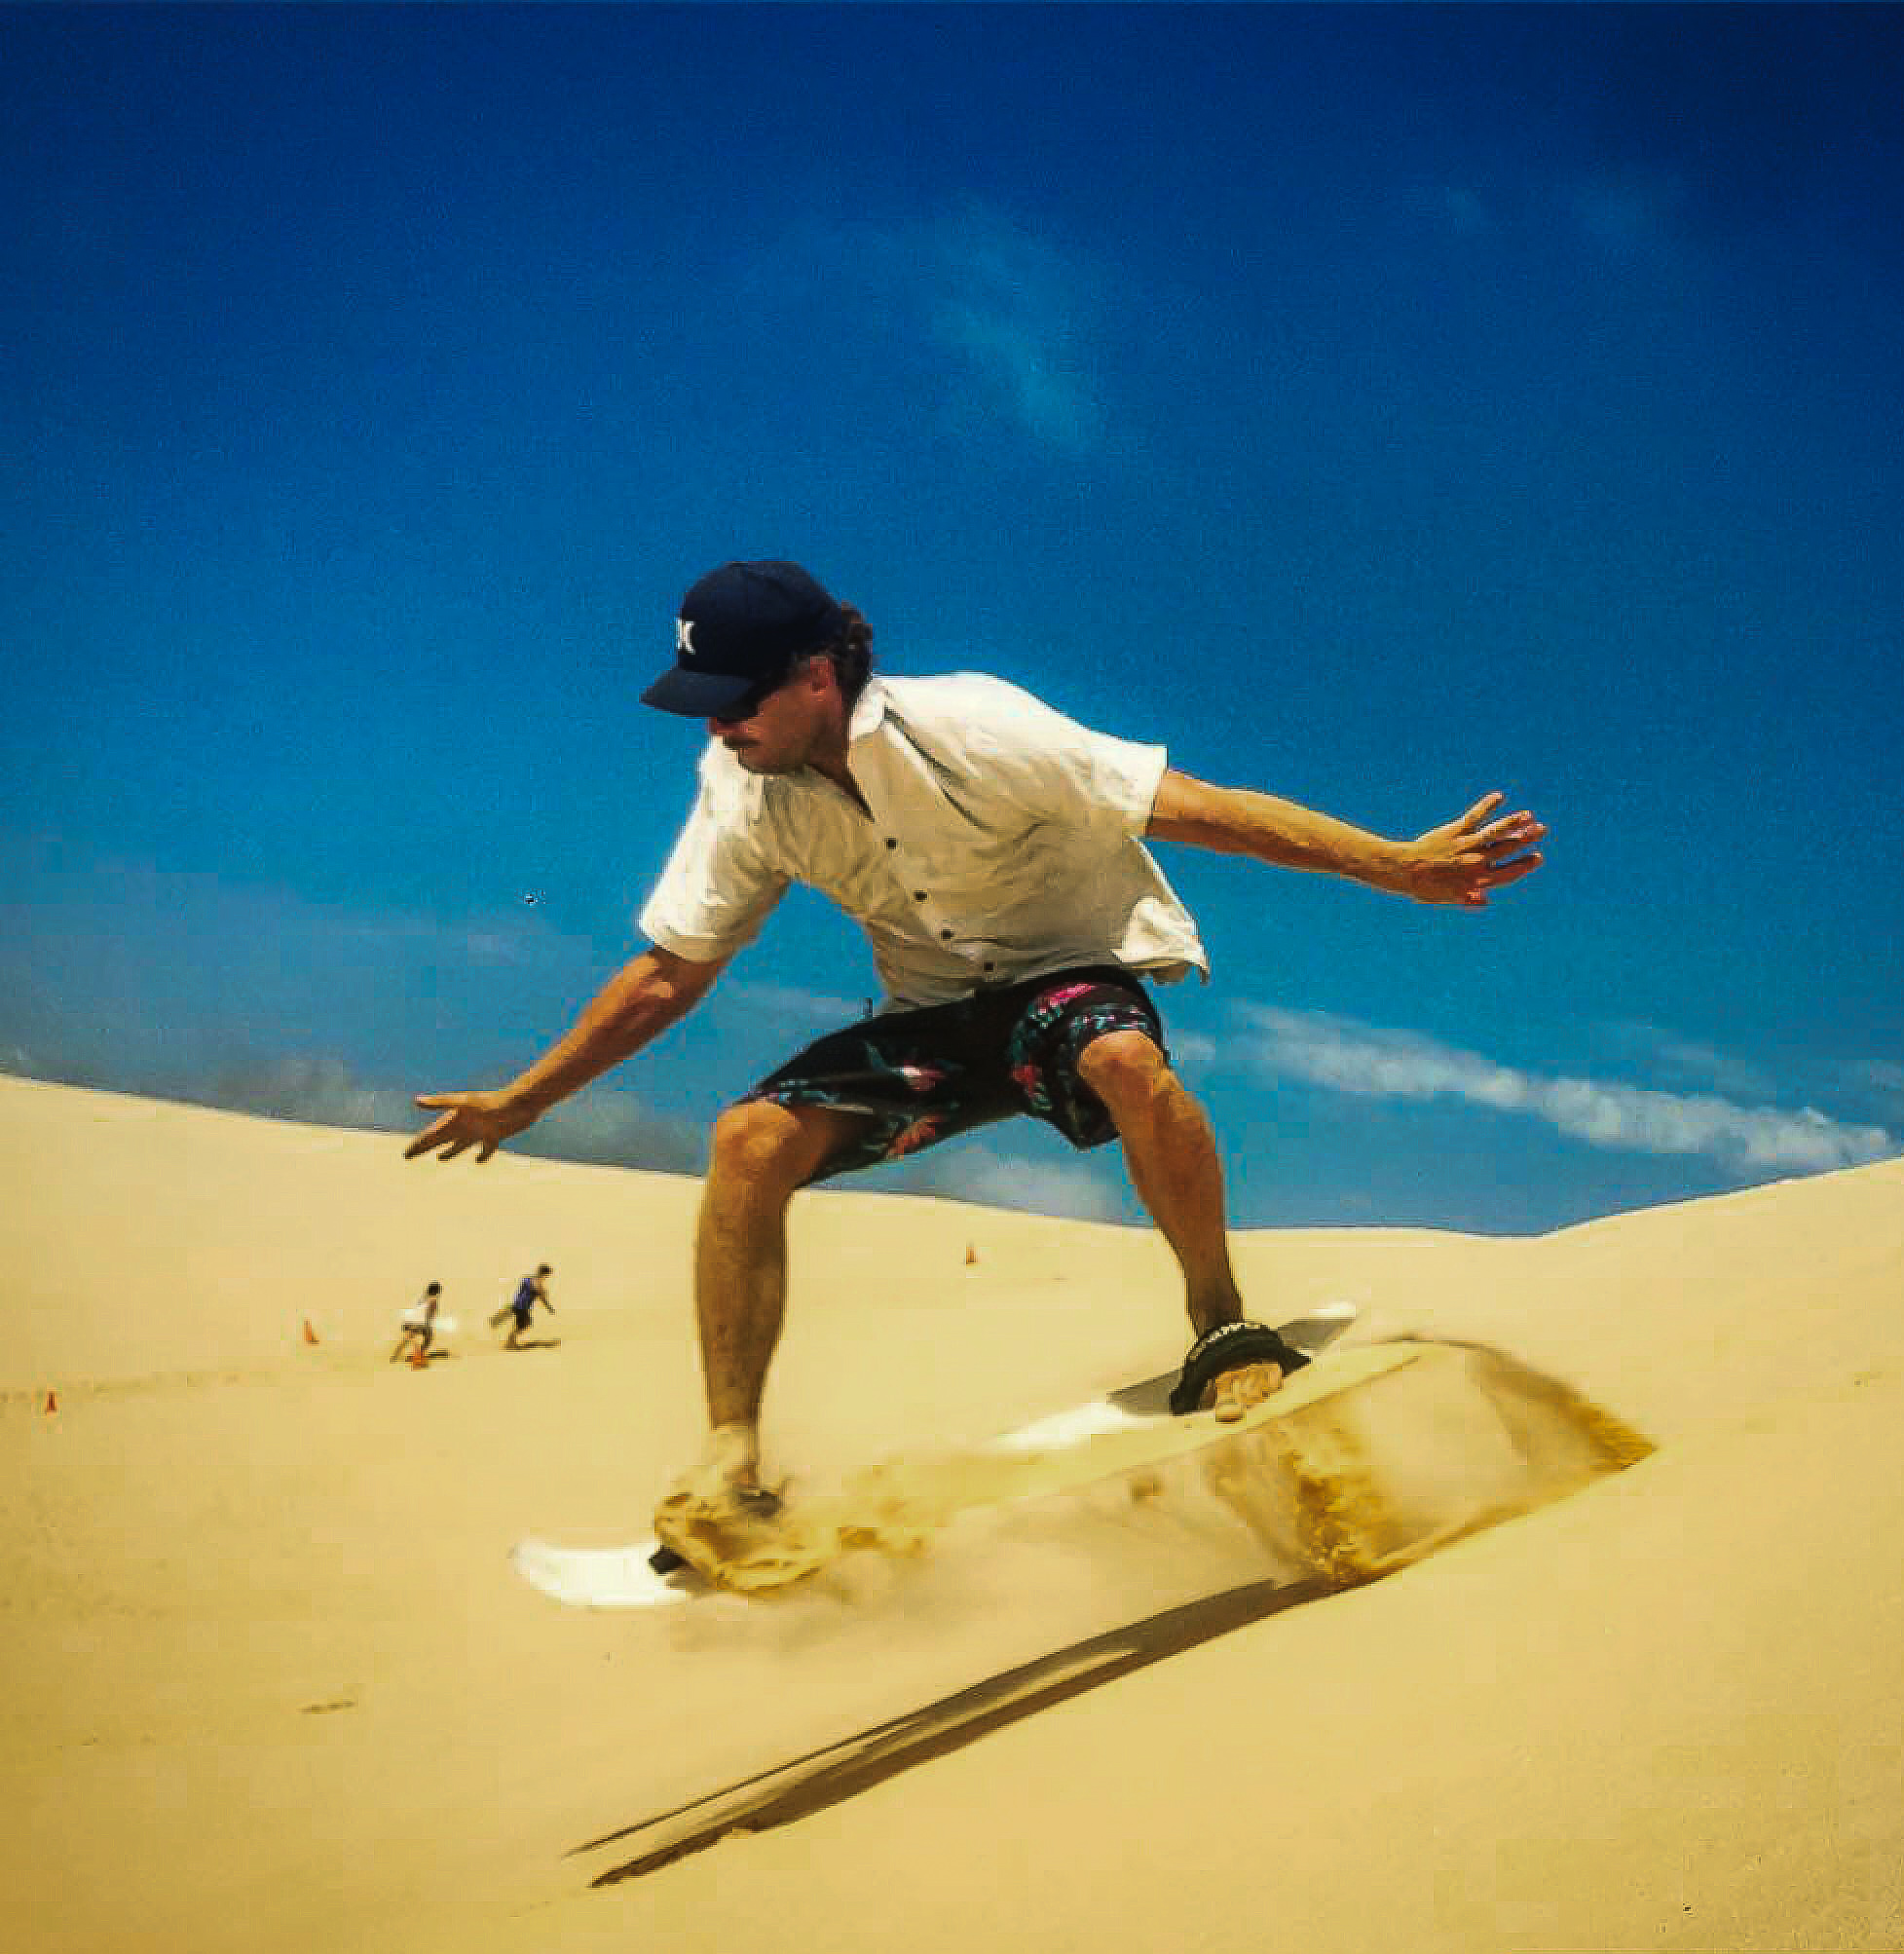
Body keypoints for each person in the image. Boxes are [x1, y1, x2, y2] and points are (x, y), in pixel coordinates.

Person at [406, 560, 1544, 1530]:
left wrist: (1394, 864)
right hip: (935, 1018)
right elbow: (669, 970)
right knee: (747, 1139)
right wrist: (526, 1098)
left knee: (1122, 1064)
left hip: (1067, 977)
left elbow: (1195, 805)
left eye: (733, 696)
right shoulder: (742, 785)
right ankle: (729, 1461)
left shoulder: (972, 727)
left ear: (815, 673)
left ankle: (1221, 1321)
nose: (715, 724)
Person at [491, 1263, 555, 1348]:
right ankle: (510, 1343)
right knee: (524, 1324)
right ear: (545, 1274)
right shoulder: (538, 1283)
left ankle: (510, 1340)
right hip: (523, 1307)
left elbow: (523, 1288)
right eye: (547, 1275)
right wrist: (548, 1307)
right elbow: (541, 1297)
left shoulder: (527, 1279)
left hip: (517, 1303)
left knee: (522, 1323)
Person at [391, 1280, 443, 1367]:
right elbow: (430, 1315)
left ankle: (395, 1356)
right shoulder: (433, 1300)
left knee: (407, 1339)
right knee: (428, 1338)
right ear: (437, 1292)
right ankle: (419, 1355)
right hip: (420, 1323)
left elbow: (417, 1309)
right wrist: (428, 1326)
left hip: (409, 1321)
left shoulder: (422, 1297)